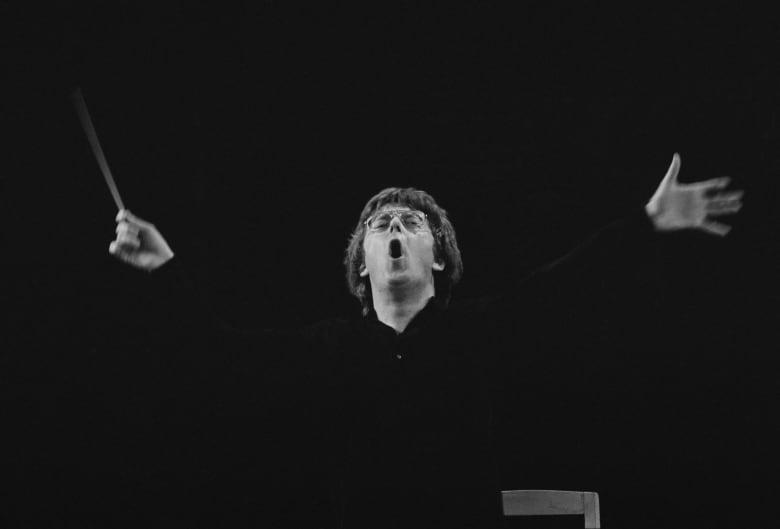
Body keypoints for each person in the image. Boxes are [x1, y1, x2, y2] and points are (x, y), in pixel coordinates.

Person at [108, 153, 742, 528]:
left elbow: (566, 289)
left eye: (411, 224)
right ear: (363, 264)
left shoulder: (480, 331)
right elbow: (223, 356)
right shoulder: (329, 349)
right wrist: (165, 269)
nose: (394, 229)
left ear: (438, 258)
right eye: (382, 224)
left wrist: (648, 223)